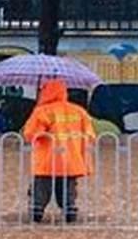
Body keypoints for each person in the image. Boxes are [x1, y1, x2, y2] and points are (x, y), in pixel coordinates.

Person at [23, 78, 96, 223]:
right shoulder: (79, 111)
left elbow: (30, 135)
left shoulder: (42, 111)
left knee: (41, 188)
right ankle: (70, 212)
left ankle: (37, 213)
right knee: (68, 188)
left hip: (47, 159)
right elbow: (91, 135)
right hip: (72, 159)